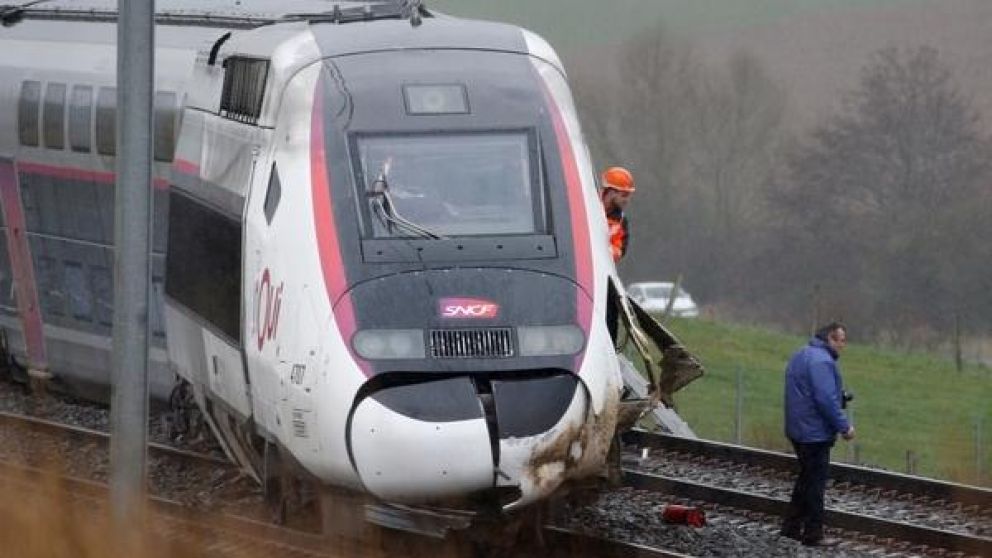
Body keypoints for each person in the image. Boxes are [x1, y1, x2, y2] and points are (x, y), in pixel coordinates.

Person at [780, 321, 855, 547]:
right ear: (830, 339)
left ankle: (791, 528)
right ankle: (813, 533)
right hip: (814, 432)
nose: (843, 345)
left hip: (797, 428)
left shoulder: (801, 355)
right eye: (841, 340)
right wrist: (844, 426)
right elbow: (825, 400)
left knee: (806, 478)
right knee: (815, 484)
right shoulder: (822, 362)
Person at [600, 166, 635, 263]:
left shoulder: (621, 221)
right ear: (611, 192)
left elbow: (619, 251)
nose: (627, 200)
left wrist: (608, 252)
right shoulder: (588, 206)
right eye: (624, 195)